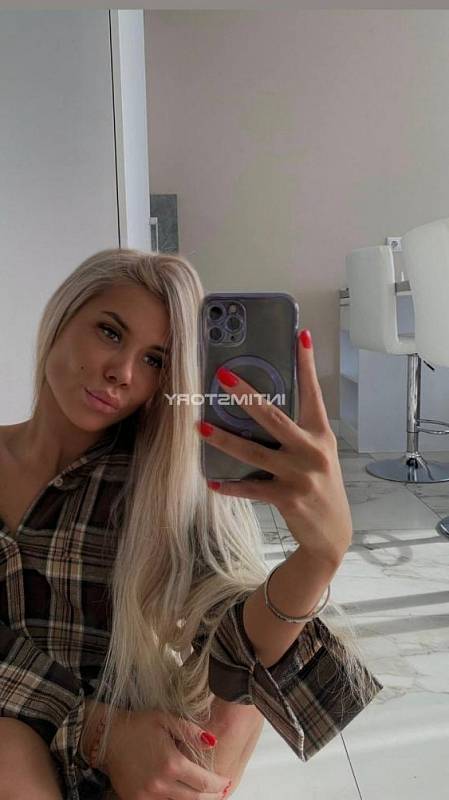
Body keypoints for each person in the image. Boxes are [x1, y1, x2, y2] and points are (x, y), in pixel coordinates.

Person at [0, 248, 383, 800]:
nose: (122, 373)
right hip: (52, 741)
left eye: (155, 360)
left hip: (128, 771)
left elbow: (229, 631)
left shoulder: (158, 486)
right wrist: (96, 730)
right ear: (61, 318)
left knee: (237, 697)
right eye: (110, 332)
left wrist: (320, 558)